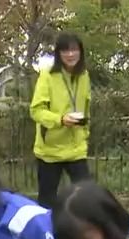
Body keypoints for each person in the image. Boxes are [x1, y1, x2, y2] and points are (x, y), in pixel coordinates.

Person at [30, 32, 93, 209]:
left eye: (74, 50)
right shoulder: (47, 75)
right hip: (50, 150)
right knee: (47, 202)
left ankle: (84, 232)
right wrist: (60, 120)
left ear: (81, 52)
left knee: (87, 197)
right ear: (58, 54)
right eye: (65, 50)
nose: (70, 54)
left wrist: (85, 132)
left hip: (76, 148)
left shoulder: (84, 75)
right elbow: (36, 111)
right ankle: (46, 235)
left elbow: (86, 106)